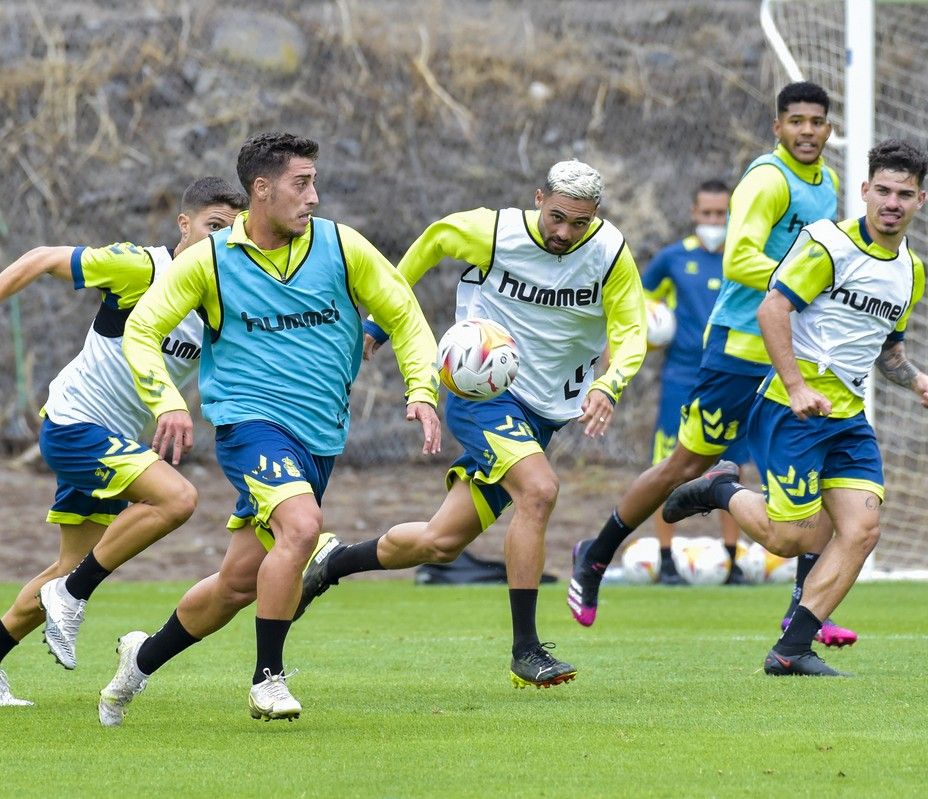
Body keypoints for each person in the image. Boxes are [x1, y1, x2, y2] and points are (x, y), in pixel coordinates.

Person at [97, 132, 440, 726]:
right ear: (262, 189)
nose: (313, 196)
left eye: (314, 182)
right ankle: (268, 679)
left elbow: (403, 314)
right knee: (303, 526)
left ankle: (140, 659)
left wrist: (422, 389)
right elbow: (142, 330)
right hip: (248, 425)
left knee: (237, 584)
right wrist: (166, 402)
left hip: (319, 437)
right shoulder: (208, 259)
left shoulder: (342, 247)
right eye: (300, 183)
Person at [293, 159, 648, 689]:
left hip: (543, 412)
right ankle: (526, 650)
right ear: (537, 199)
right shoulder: (495, 231)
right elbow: (435, 239)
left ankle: (332, 562)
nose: (563, 232)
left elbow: (631, 330)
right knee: (540, 490)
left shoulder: (608, 252)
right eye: (556, 217)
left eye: (578, 222)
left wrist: (608, 383)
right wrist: (380, 320)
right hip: (480, 393)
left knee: (440, 542)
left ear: (595, 216)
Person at [0, 177, 247, 705]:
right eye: (213, 227)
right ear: (184, 224)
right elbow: (38, 257)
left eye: (231, 233)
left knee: (67, 566)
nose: (220, 240)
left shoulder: (216, 297)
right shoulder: (143, 268)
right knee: (177, 499)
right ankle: (74, 594)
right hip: (75, 428)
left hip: (113, 441)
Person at [568, 81, 856, 646]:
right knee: (683, 466)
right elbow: (740, 256)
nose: (806, 130)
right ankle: (595, 555)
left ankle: (804, 611)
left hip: (795, 353)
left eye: (816, 121)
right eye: (795, 121)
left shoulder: (829, 185)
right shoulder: (768, 179)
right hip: (739, 349)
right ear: (777, 128)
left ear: (828, 129)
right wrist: (811, 282)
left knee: (817, 468)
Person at [662, 139, 928, 676]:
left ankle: (791, 650)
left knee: (861, 530)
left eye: (904, 194)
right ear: (864, 191)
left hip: (848, 417)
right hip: (792, 407)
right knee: (792, 538)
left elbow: (886, 347)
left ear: (920, 201)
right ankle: (722, 488)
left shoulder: (911, 271)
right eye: (882, 190)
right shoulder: (827, 245)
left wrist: (917, 380)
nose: (892, 202)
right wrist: (794, 385)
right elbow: (773, 310)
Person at [634, 179, 752, 585]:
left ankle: (732, 560)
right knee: (669, 466)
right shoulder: (670, 260)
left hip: (731, 375)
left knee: (732, 466)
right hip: (682, 376)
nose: (714, 222)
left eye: (721, 214)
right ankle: (667, 560)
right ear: (693, 213)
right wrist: (652, 325)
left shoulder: (744, 258)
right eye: (707, 214)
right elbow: (639, 305)